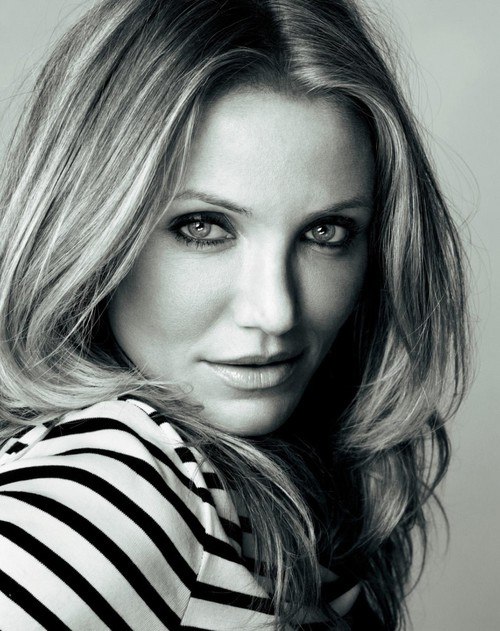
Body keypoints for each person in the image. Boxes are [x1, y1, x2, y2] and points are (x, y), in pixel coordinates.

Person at [0, 0, 470, 629]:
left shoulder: (255, 500)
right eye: (203, 227)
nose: (275, 312)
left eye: (326, 232)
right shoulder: (112, 491)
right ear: (89, 230)